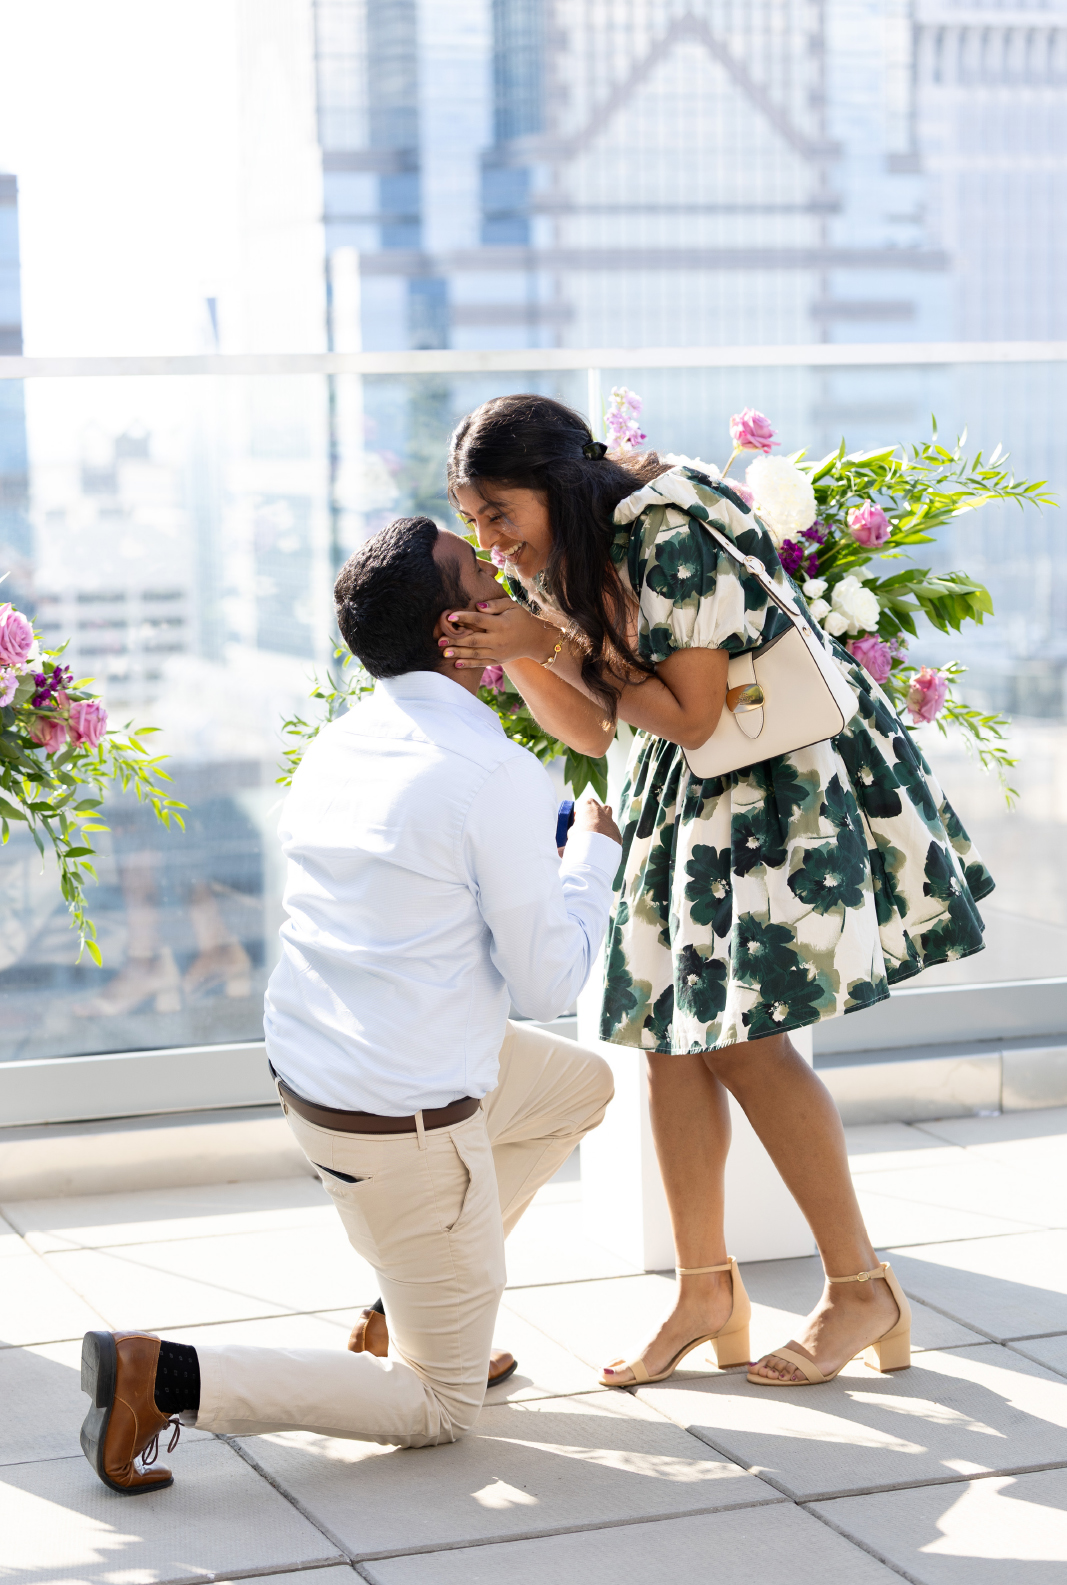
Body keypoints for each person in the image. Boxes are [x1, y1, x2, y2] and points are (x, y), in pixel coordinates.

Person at [441, 393, 993, 1389]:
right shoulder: (583, 551)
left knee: (744, 1040)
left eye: (498, 513)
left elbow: (693, 716)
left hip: (760, 796)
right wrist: (517, 650)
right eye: (475, 522)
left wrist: (547, 642)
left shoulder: (662, 528)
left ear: (554, 483)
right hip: (680, 802)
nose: (492, 537)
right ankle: (705, 1290)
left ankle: (859, 1287)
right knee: (666, 1040)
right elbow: (600, 731)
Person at [79, 515, 619, 1493]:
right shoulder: (491, 771)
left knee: (576, 1087)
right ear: (455, 630)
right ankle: (161, 1376)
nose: (503, 581)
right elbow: (548, 982)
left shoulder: (343, 740)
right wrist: (593, 854)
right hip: (404, 1119)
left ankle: (408, 1294)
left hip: (317, 1072)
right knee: (439, 1406)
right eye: (480, 575)